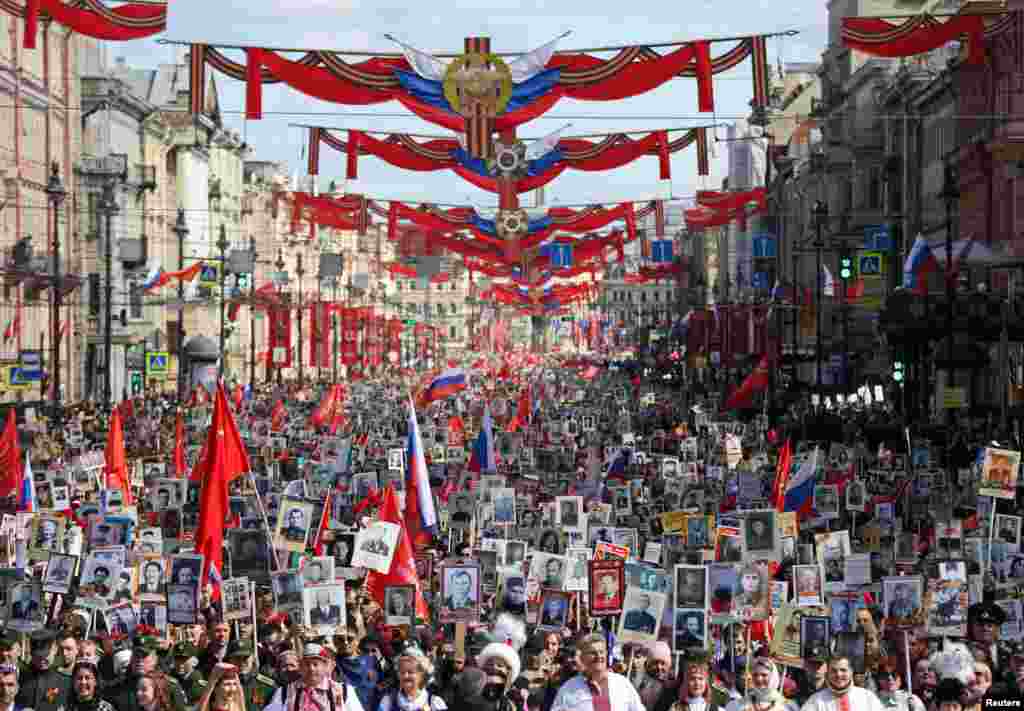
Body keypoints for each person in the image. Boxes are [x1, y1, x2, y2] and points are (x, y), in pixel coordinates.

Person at [549, 633, 644, 711]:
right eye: (592, 653)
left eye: (601, 652)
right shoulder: (569, 688)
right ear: (582, 658)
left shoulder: (622, 683)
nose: (599, 656)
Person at [262, 643, 362, 711]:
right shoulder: (284, 692)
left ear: (325, 666)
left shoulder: (344, 691)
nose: (311, 669)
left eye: (315, 664)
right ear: (300, 667)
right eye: (307, 664)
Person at [800, 656, 884, 711]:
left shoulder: (867, 697)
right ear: (828, 673)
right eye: (834, 671)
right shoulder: (816, 700)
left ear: (851, 672)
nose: (838, 674)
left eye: (843, 670)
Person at [377, 648, 447, 711]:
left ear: (421, 674)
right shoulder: (388, 702)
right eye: (402, 672)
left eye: (410, 672)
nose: (405, 676)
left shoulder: (434, 703)